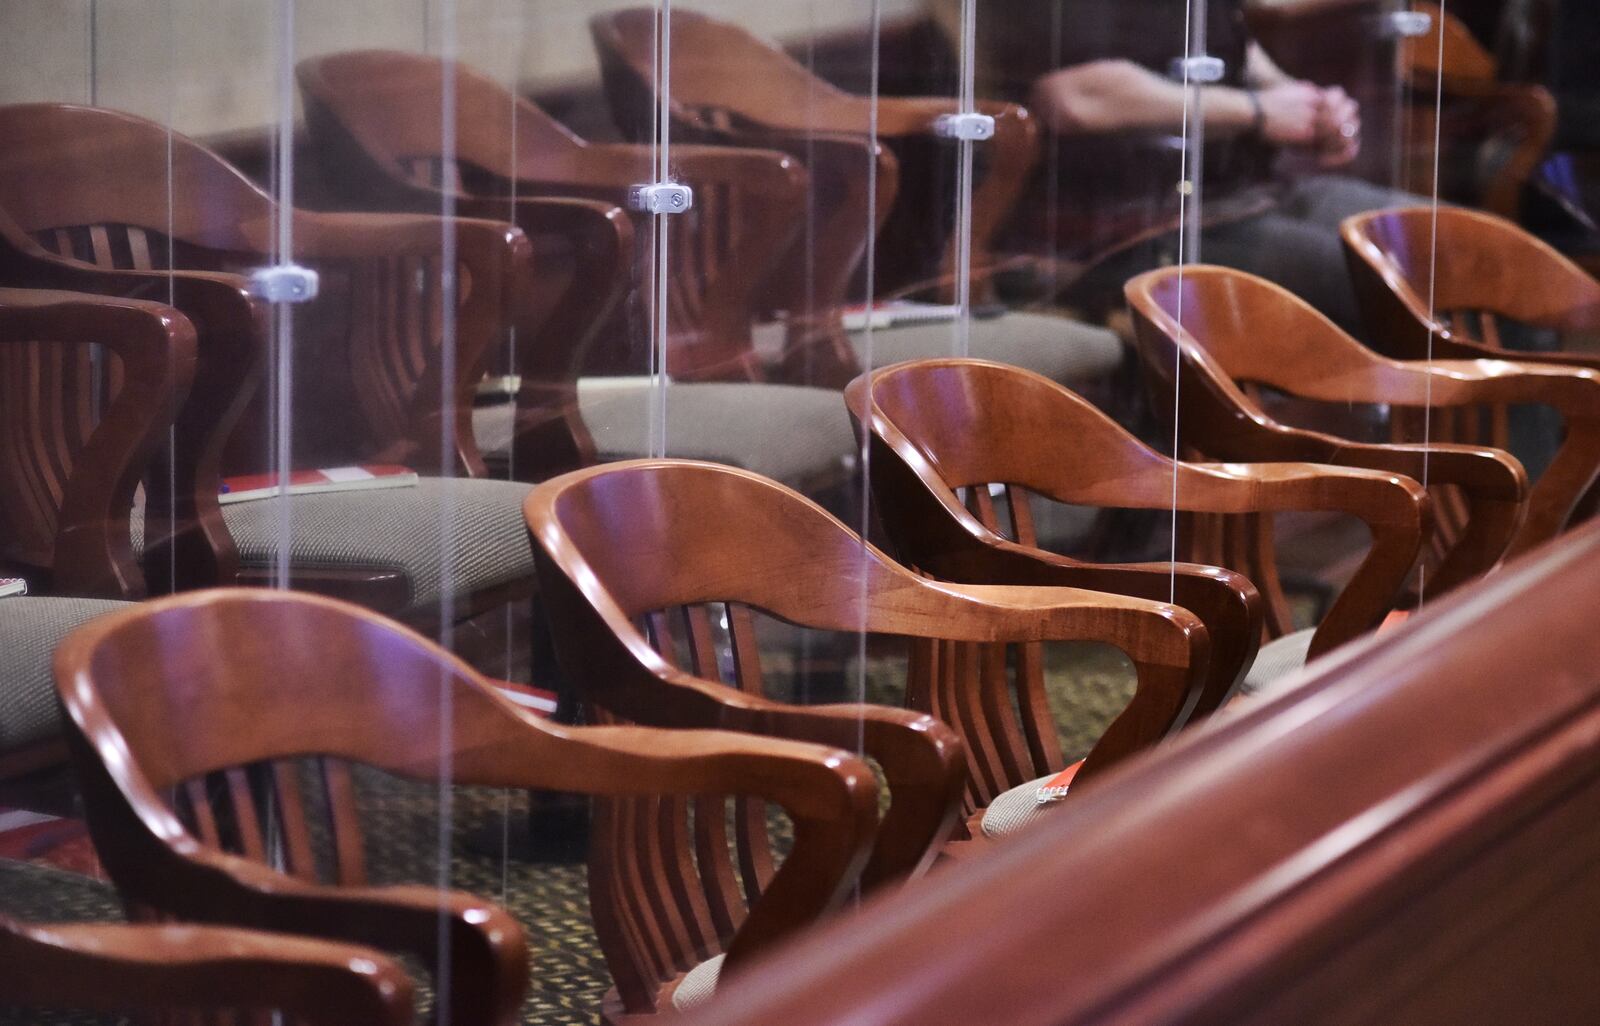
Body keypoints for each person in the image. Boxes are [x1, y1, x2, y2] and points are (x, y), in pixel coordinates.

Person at [940, 0, 1424, 333]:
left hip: (1240, 195)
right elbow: (1074, 96)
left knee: (1449, 249)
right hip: (1127, 228)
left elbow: (1227, 45)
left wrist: (1307, 103)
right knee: (1381, 276)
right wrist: (1257, 111)